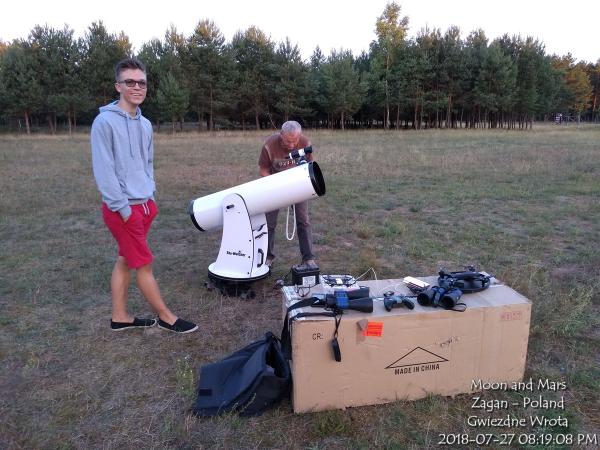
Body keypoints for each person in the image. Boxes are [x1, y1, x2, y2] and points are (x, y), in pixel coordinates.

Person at [91, 58, 197, 334]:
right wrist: (124, 209)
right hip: (122, 209)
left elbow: (147, 163)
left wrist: (151, 194)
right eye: (130, 82)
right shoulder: (104, 122)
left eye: (142, 82)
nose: (137, 87)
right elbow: (105, 172)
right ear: (118, 86)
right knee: (144, 265)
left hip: (145, 204)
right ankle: (166, 317)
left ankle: (120, 316)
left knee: (126, 259)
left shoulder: (145, 124)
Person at [258, 121, 317, 268]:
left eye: (295, 141)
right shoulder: (270, 145)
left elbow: (310, 164)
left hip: (298, 186)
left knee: (303, 221)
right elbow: (263, 169)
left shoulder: (305, 143)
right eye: (288, 141)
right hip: (275, 187)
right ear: (281, 134)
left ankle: (308, 258)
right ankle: (267, 257)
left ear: (300, 136)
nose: (292, 145)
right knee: (269, 223)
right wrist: (274, 183)